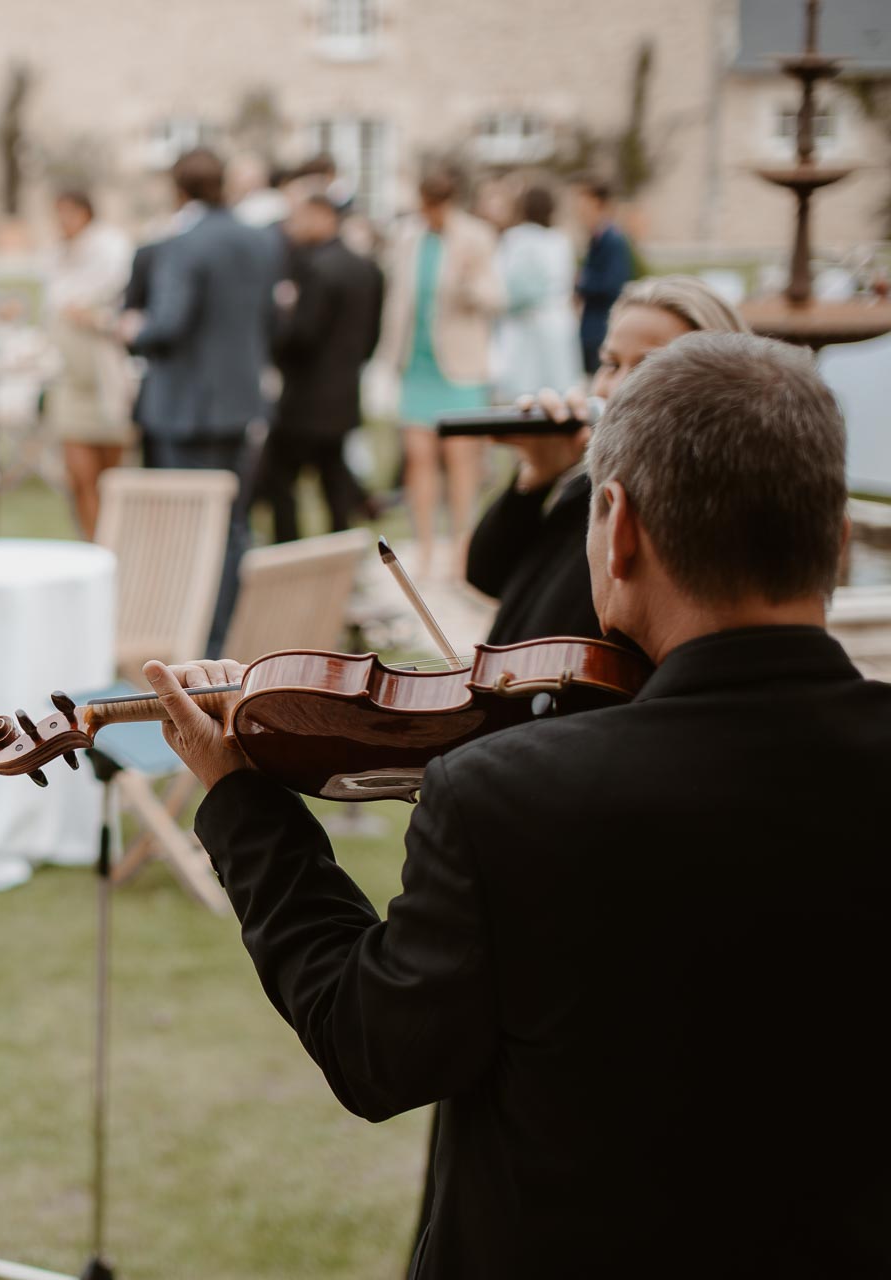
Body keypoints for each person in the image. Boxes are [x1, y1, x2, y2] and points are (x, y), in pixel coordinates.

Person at [154, 330, 889, 1279]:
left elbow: (372, 1048)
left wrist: (242, 801)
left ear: (616, 526)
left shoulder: (514, 796)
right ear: (835, 540)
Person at [467, 275, 749, 646]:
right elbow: (486, 575)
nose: (617, 389)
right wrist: (539, 476)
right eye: (611, 364)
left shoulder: (699, 520)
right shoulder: (590, 483)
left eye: (649, 368)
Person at [125, 146, 280, 652]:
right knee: (234, 524)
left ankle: (194, 638)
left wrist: (130, 329)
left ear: (180, 188)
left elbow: (167, 324)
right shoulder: (260, 241)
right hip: (239, 400)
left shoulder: (182, 244)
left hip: (186, 407)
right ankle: (226, 632)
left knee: (188, 528)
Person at [376, 169, 504, 577]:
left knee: (461, 460)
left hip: (460, 368)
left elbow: (495, 298)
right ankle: (426, 547)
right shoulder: (408, 237)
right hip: (417, 366)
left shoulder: (476, 236)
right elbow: (396, 297)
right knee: (418, 458)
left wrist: (467, 280)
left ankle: (461, 545)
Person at [257, 191, 384, 544]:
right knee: (334, 483)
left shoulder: (314, 268)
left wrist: (277, 332)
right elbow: (373, 335)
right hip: (344, 393)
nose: (291, 227)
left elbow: (301, 336)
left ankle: (287, 550)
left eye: (298, 218)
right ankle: (339, 556)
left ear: (321, 216)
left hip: (305, 399)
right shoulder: (366, 267)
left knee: (278, 481)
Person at [41, 190, 135, 537]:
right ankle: (90, 541)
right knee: (78, 476)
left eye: (68, 213)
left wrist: (93, 318)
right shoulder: (56, 257)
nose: (62, 222)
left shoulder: (113, 251)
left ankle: (112, 543)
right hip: (68, 380)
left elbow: (126, 317)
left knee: (109, 480)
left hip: (105, 380)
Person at [488, 183, 582, 402]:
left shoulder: (518, 239)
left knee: (525, 395)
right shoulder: (560, 240)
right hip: (557, 323)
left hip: (526, 328)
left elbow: (510, 288)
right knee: (559, 393)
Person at [573, 177, 635, 376]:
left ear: (599, 205)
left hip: (602, 326)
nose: (580, 212)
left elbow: (613, 284)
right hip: (593, 324)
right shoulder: (597, 238)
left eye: (585, 205)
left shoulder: (613, 240)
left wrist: (582, 282)